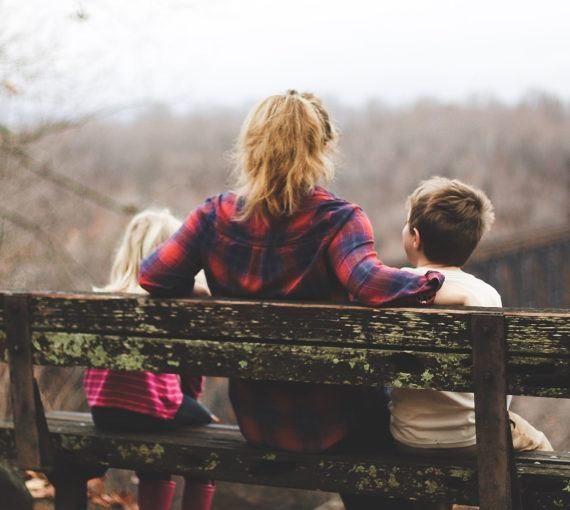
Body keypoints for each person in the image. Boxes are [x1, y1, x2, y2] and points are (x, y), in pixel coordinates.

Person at [139, 90, 444, 508]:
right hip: (337, 425)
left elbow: (153, 276)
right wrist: (435, 280)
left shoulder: (213, 217)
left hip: (259, 423)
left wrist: (198, 290)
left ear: (251, 147)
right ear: (320, 150)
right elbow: (370, 283)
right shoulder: (338, 220)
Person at [386, 177, 552, 509]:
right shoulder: (485, 295)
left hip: (408, 436)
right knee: (540, 447)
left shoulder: (394, 287)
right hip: (473, 438)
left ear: (414, 237)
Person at [83, 209, 216, 510]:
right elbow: (192, 368)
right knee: (204, 440)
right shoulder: (172, 304)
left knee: (157, 436)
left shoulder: (103, 301)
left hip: (102, 411)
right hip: (153, 409)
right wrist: (193, 406)